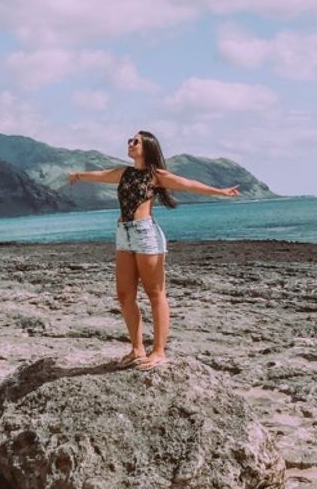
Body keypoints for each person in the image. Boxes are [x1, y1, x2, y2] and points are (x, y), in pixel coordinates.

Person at [69, 130, 240, 370]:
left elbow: (188, 184)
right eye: (129, 140)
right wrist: (78, 175)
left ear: (147, 146)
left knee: (155, 292)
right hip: (123, 235)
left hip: (145, 234)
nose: (130, 143)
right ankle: (137, 349)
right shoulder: (123, 172)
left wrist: (220, 192)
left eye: (135, 141)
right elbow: (100, 175)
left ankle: (159, 351)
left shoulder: (155, 176)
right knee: (124, 294)